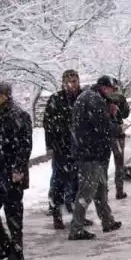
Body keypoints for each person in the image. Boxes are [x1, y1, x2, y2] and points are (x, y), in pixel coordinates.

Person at [0, 81, 33, 260]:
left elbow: (24, 145)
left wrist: (18, 169)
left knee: (13, 214)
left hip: (11, 173)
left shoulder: (17, 115)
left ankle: (17, 253)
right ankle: (4, 246)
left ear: (3, 96)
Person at [68, 76, 125, 239]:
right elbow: (102, 126)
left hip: (88, 150)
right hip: (91, 152)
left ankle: (107, 220)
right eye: (112, 90)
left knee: (100, 189)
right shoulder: (95, 100)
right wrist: (118, 127)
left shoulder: (86, 96)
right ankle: (76, 228)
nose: (113, 93)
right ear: (105, 88)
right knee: (87, 190)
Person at [43, 69, 82, 230]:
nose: (71, 84)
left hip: (80, 147)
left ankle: (78, 215)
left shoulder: (84, 97)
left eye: (74, 81)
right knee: (58, 181)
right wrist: (50, 146)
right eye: (68, 81)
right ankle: (56, 214)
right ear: (63, 82)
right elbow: (48, 123)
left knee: (79, 182)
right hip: (61, 147)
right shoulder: (56, 99)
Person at [102, 77, 130, 200]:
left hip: (109, 134)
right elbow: (125, 114)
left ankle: (106, 192)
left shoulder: (101, 98)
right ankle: (118, 190)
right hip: (115, 133)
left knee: (106, 164)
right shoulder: (104, 99)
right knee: (117, 164)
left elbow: (125, 113)